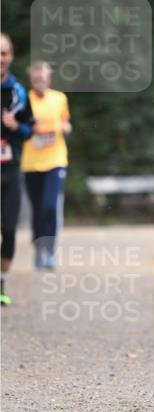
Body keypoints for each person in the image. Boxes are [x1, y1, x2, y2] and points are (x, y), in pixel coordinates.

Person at [20, 61, 71, 269]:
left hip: (55, 160)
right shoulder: (24, 100)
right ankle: (38, 249)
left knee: (50, 207)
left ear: (49, 79)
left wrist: (63, 127)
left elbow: (66, 122)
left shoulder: (59, 98)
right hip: (31, 163)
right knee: (38, 210)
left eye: (43, 78)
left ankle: (49, 252)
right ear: (30, 80)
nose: (40, 82)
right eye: (35, 79)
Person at [1, 33, 35, 305]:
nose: (1, 59)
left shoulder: (19, 91)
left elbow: (30, 129)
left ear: (11, 57)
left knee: (9, 230)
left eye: (5, 53)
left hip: (10, 169)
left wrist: (17, 126)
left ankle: (1, 282)